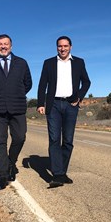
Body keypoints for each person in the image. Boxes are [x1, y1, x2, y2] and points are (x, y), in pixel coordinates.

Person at [37, 35, 91, 188]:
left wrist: (79, 97)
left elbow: (86, 82)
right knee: (54, 139)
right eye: (60, 46)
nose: (62, 49)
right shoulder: (48, 63)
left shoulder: (79, 62)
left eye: (65, 46)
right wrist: (41, 103)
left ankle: (62, 172)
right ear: (57, 48)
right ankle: (58, 174)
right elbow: (42, 84)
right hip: (53, 104)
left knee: (67, 140)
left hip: (71, 104)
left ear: (70, 47)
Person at [0, 34, 32, 190]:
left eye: (6, 44)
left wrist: (15, 94)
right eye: (0, 44)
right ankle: (2, 176)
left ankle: (10, 162)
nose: (3, 46)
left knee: (20, 137)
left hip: (17, 108)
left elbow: (28, 84)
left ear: (11, 45)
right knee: (0, 141)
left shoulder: (21, 63)